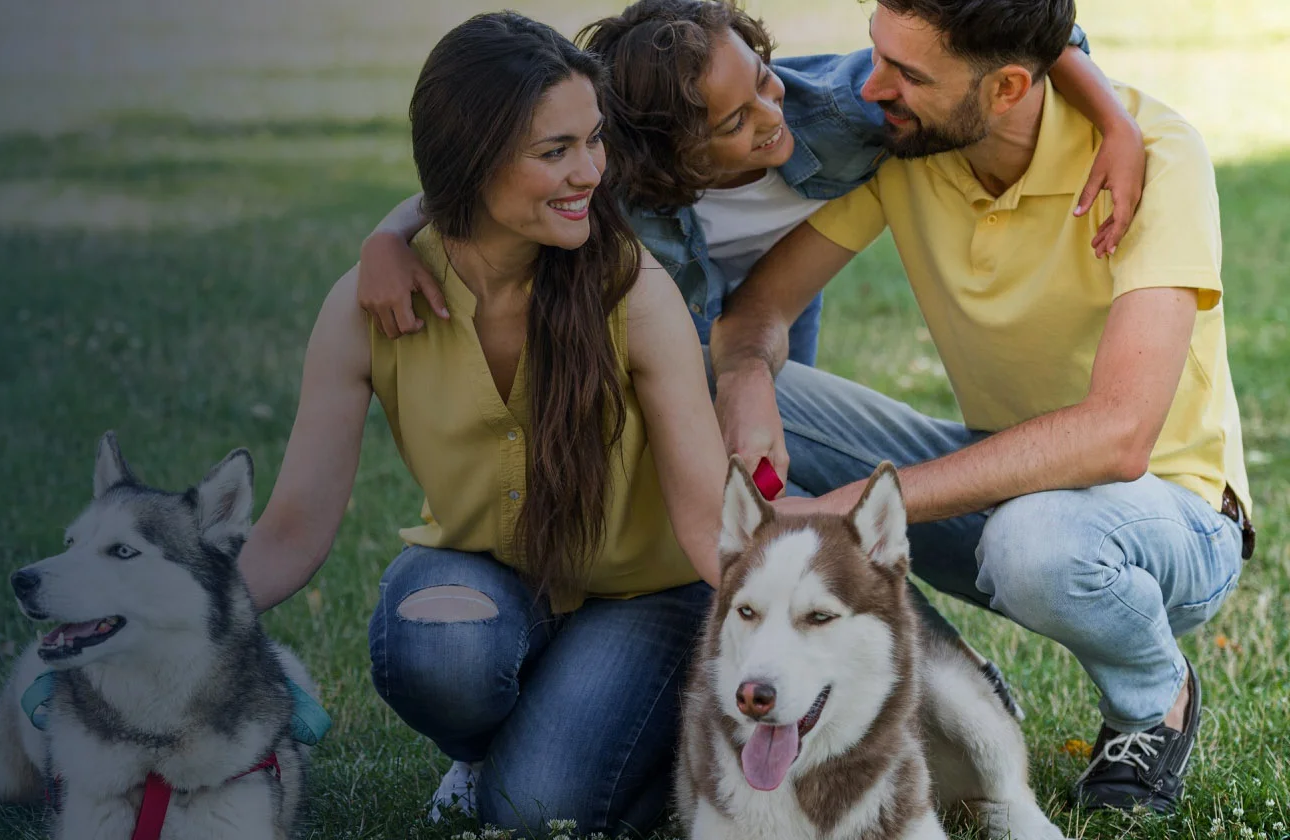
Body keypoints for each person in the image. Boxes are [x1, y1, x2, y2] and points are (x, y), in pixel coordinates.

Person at [710, 0, 1253, 816]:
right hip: (1002, 483)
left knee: (1033, 542)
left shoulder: (1157, 153)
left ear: (1005, 89)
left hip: (1170, 517)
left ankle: (1154, 699)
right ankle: (957, 693)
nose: (871, 89)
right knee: (709, 389)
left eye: (908, 74)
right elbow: (758, 312)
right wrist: (748, 372)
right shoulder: (910, 141)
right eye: (875, 54)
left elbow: (1120, 436)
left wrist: (846, 508)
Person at [233, 11, 729, 835]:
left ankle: (658, 740)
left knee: (537, 814)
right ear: (471, 161)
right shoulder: (371, 304)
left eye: (594, 141)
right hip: (489, 578)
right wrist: (171, 624)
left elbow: (711, 524)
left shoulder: (634, 294)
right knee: (439, 651)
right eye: (555, 151)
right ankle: (493, 746)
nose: (590, 173)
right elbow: (291, 529)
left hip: (645, 596)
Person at [355, 0, 1146, 371]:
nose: (772, 118)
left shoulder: (841, 108)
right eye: (734, 122)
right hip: (684, 305)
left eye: (765, 80)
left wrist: (1116, 124)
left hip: (784, 287)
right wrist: (386, 241)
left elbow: (1022, 32)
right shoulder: (611, 177)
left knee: (784, 427)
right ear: (666, 150)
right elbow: (480, 185)